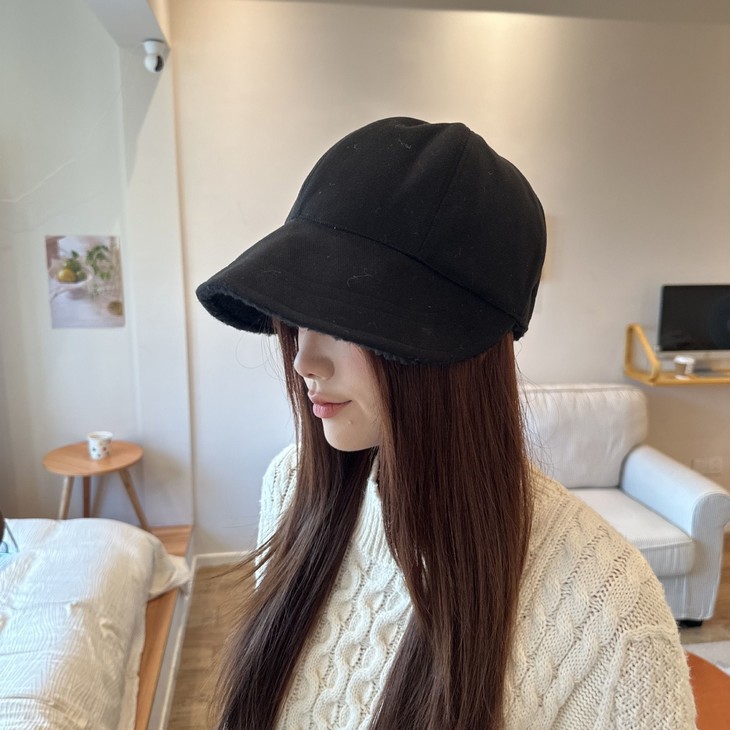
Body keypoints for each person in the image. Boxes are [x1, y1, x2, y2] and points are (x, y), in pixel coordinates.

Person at [196, 117, 695, 729]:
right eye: (297, 313)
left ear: (456, 355)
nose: (303, 360)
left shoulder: (607, 612)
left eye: (345, 321)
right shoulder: (291, 484)